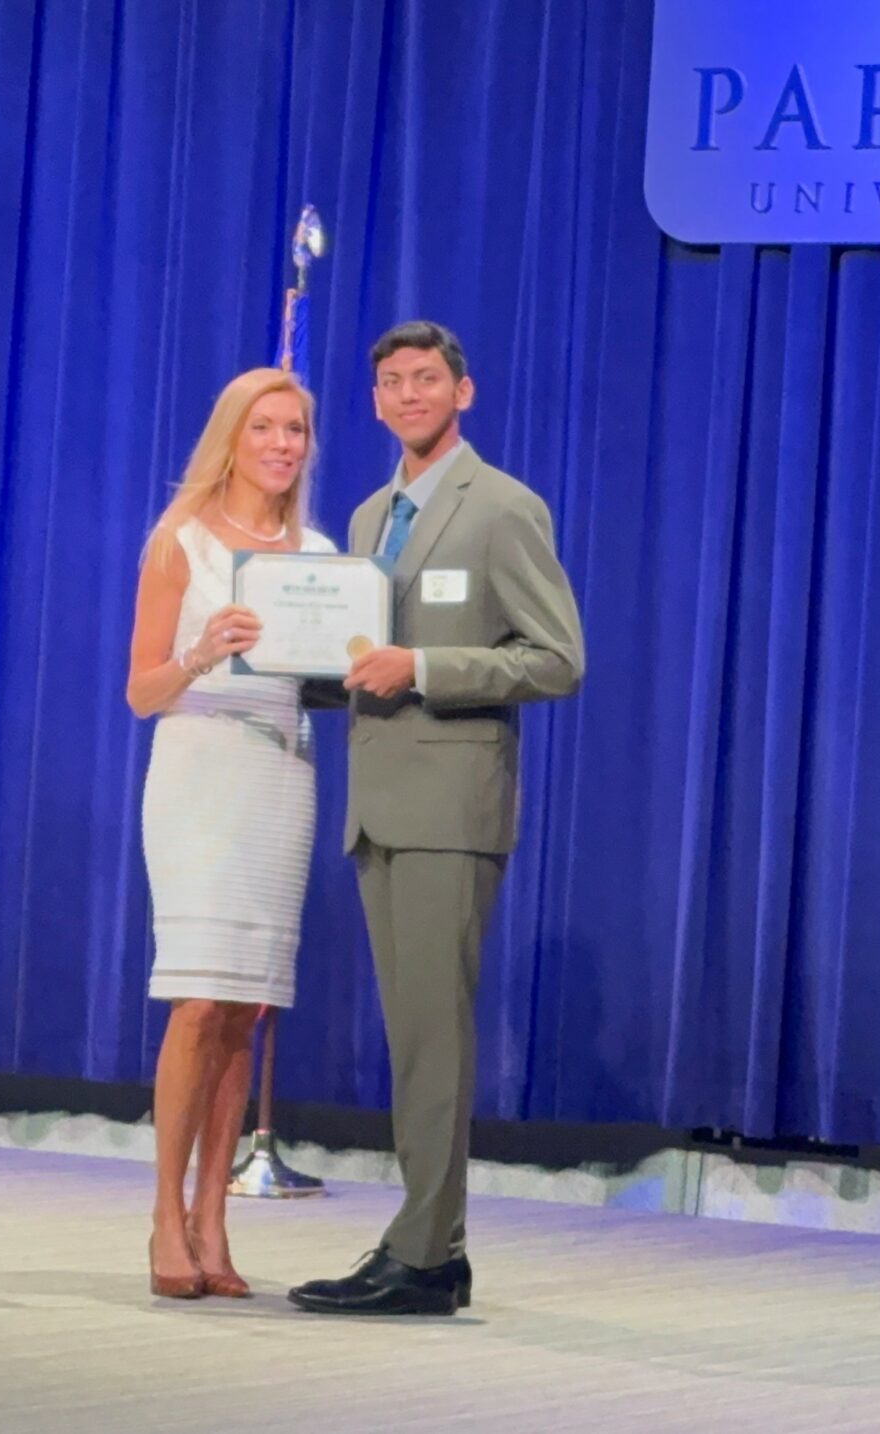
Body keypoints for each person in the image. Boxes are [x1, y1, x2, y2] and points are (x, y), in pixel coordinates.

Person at [288, 321, 585, 1318]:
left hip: (452, 807)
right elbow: (357, 660)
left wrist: (425, 668)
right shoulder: (374, 513)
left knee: (433, 1040)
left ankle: (425, 1254)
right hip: (378, 805)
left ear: (464, 392)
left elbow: (556, 659)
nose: (408, 393)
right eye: (390, 382)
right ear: (374, 402)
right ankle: (424, 1245)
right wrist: (276, 654)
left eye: (426, 378)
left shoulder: (503, 508)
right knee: (412, 1036)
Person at [125, 367, 335, 1300]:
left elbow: (328, 675)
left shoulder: (320, 555)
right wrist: (204, 649)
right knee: (199, 1003)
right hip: (200, 768)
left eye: (296, 430)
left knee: (246, 1007)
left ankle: (216, 1219)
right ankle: (165, 1218)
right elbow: (139, 692)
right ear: (232, 438)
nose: (284, 445)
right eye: (266, 429)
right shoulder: (181, 542)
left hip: (281, 775)